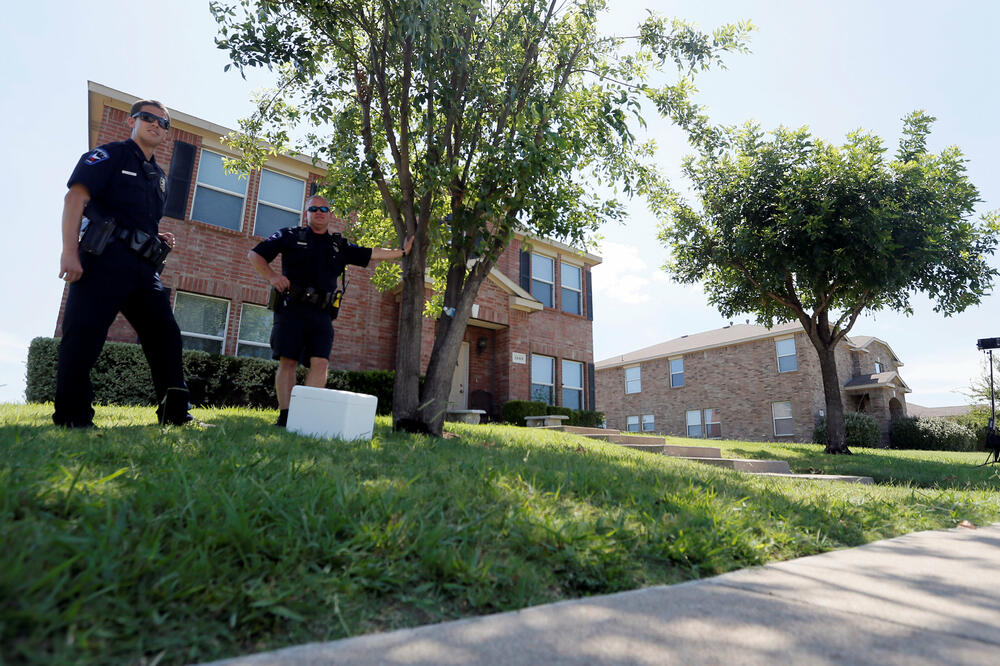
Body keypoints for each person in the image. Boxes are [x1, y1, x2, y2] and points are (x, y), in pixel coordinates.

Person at [54, 99, 192, 428]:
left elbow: (137, 219)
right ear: (133, 120)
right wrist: (68, 251)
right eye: (149, 118)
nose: (156, 125)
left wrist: (157, 237)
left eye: (163, 123)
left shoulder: (159, 177)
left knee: (167, 338)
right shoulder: (109, 155)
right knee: (84, 335)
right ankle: (73, 418)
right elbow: (76, 198)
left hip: (143, 271)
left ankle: (175, 415)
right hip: (103, 260)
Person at [248, 195, 414, 427]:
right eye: (313, 208)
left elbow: (370, 253)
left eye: (323, 208)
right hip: (292, 309)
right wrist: (273, 277)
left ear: (330, 213)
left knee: (321, 363)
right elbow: (255, 255)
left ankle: (304, 417)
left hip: (322, 313)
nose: (319, 212)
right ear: (306, 213)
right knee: (288, 361)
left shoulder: (338, 245)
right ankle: (285, 418)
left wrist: (402, 252)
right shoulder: (289, 235)